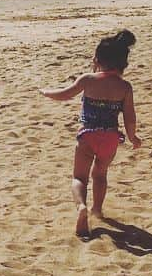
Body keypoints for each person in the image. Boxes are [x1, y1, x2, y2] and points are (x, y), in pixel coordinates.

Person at [39, 30, 141, 238]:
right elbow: (130, 117)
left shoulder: (87, 80)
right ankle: (97, 209)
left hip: (87, 135)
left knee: (79, 177)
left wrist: (47, 92)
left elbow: (64, 94)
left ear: (97, 60)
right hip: (111, 137)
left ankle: (81, 208)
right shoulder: (124, 87)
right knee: (100, 174)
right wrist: (133, 137)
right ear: (123, 64)